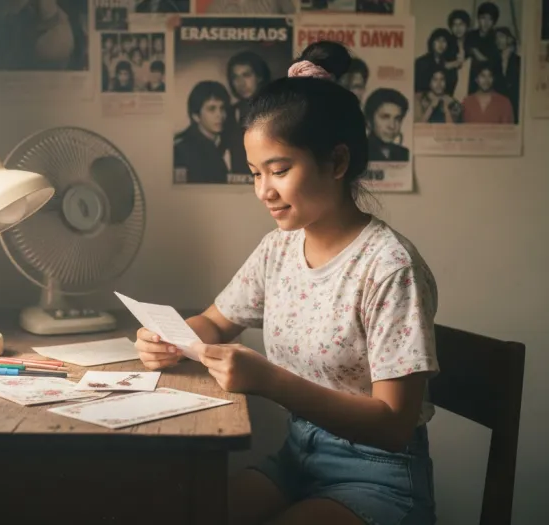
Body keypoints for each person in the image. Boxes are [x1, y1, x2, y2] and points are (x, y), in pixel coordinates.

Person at [138, 40, 438, 525]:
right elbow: (215, 322)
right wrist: (167, 338)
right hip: (298, 458)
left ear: (337, 163)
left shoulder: (389, 267)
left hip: (377, 476)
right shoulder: (279, 248)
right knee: (191, 510)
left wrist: (271, 381)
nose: (264, 192)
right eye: (256, 173)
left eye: (279, 171)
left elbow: (394, 425)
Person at [173, 81, 233, 183]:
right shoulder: (182, 151)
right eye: (211, 109)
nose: (220, 115)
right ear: (196, 116)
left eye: (222, 108)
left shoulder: (227, 142)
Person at [363, 87, 410, 161]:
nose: (392, 126)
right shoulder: (359, 152)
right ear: (369, 120)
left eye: (397, 119)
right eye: (385, 117)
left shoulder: (404, 154)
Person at [414, 28, 453, 94]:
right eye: (438, 40)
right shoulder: (421, 62)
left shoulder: (449, 64)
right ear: (432, 42)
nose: (441, 44)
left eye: (444, 41)